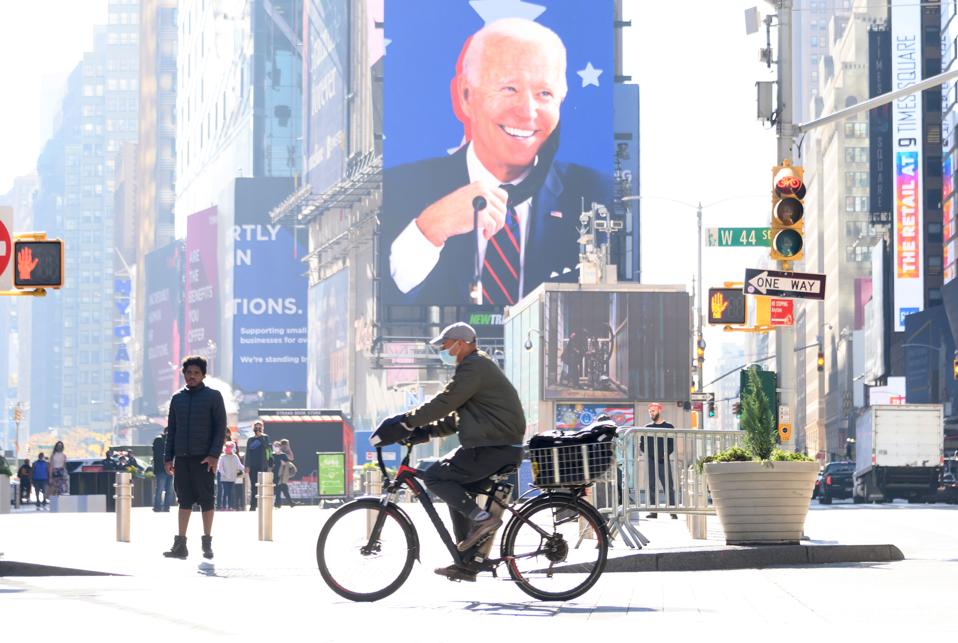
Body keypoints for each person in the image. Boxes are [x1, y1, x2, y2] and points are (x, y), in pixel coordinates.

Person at [382, 18, 611, 305]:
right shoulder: (397, 189)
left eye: (545, 94)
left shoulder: (598, 197)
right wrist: (430, 229)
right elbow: (377, 300)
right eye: (509, 89)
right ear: (466, 95)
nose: (528, 112)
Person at [373, 322, 525, 582]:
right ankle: (468, 560)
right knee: (455, 489)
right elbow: (456, 418)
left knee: (435, 477)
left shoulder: (474, 366)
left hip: (493, 446)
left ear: (462, 342)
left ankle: (482, 519)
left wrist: (406, 422)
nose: (444, 350)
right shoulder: (475, 367)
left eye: (446, 344)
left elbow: (445, 402)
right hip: (496, 444)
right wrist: (425, 433)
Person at [162, 355, 227, 560]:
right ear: (184, 374)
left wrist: (214, 455)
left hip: (204, 459)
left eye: (196, 373)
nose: (192, 376)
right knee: (184, 500)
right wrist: (168, 457)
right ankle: (180, 545)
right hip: (182, 458)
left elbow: (220, 429)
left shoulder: (214, 396)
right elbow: (171, 430)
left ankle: (207, 543)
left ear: (203, 375)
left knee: (207, 500)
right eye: (188, 373)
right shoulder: (177, 398)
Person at [641, 402, 677, 519]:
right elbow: (642, 445)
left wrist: (664, 454)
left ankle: (672, 511)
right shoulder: (647, 428)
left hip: (663, 459)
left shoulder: (669, 427)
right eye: (650, 411)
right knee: (651, 485)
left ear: (659, 410)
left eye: (653, 411)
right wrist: (650, 454)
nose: (651, 413)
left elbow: (671, 445)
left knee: (668, 485)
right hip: (651, 459)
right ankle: (653, 511)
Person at [244, 421, 272, 510]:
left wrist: (260, 437)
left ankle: (263, 506)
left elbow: (268, 448)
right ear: (253, 428)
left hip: (263, 465)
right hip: (252, 466)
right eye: (256, 427)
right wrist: (246, 465)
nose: (258, 429)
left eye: (260, 427)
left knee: (262, 486)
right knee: (254, 486)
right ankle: (253, 506)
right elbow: (247, 453)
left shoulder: (265, 438)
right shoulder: (250, 439)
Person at [216, 442, 243, 511]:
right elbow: (219, 467)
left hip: (232, 478)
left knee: (231, 492)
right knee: (225, 492)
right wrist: (224, 474)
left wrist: (245, 468)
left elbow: (239, 465)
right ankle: (223, 506)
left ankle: (230, 506)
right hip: (224, 479)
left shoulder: (235, 457)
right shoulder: (222, 457)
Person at [152, 429, 174, 512]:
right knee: (160, 489)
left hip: (170, 469)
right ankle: (157, 507)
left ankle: (166, 507)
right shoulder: (159, 440)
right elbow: (158, 455)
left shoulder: (171, 440)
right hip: (161, 469)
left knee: (169, 490)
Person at [271, 442, 297, 508]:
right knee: (282, 490)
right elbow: (269, 464)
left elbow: (288, 464)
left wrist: (284, 464)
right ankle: (289, 503)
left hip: (282, 476)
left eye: (277, 446)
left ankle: (278, 504)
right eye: (275, 446)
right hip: (274, 475)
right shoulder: (272, 455)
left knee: (280, 490)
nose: (276, 447)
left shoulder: (283, 455)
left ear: (280, 447)